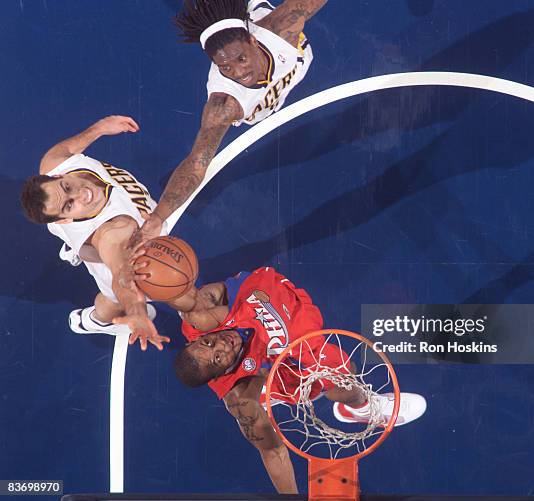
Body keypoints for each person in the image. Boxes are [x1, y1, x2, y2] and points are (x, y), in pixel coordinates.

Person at [168, 266, 427, 494]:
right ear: (221, 374)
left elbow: (186, 292)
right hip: (265, 371)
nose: (222, 345)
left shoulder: (201, 319)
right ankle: (351, 405)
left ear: (198, 338)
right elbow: (273, 452)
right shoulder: (240, 398)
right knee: (338, 379)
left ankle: (357, 409)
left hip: (255, 318)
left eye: (209, 343)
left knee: (342, 372)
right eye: (218, 359)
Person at [135, 0, 327, 242]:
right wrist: (158, 217)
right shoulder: (223, 106)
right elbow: (197, 163)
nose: (238, 72)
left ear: (253, 41)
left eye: (241, 59)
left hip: (287, 47)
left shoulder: (281, 28)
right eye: (224, 66)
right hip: (264, 93)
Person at [19, 115, 170, 351]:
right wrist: (136, 310)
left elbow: (68, 147)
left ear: (59, 176)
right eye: (69, 205)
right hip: (115, 258)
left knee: (68, 225)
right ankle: (94, 321)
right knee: (110, 300)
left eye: (67, 187)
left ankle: (73, 242)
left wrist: (100, 128)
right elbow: (121, 275)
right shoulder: (111, 234)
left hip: (80, 227)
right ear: (66, 218)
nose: (80, 195)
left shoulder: (54, 163)